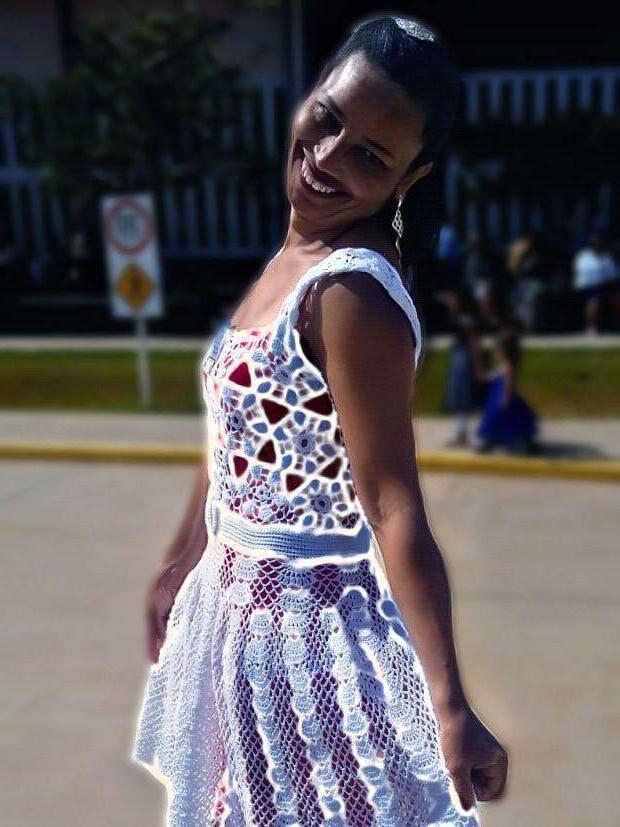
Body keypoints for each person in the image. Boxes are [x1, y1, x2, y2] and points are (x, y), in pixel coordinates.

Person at [131, 15, 508, 825]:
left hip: (304, 644)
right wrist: (183, 556)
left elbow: (393, 505)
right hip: (234, 620)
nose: (328, 155)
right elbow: (237, 427)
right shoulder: (294, 254)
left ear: (411, 176)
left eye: (370, 155)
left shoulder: (351, 291)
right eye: (329, 117)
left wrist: (449, 702)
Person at [475, 324, 540, 455]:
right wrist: (484, 375)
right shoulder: (503, 364)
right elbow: (494, 376)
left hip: (503, 396)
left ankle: (502, 441)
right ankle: (495, 440)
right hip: (496, 396)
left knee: (501, 419)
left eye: (498, 348)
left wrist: (506, 398)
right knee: (499, 420)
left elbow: (510, 383)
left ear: (504, 349)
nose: (496, 350)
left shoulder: (509, 365)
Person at [441, 288, 486, 448]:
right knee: (458, 396)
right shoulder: (457, 319)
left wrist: (478, 366)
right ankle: (461, 434)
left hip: (465, 358)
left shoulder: (465, 319)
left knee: (463, 395)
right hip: (459, 357)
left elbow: (474, 342)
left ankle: (464, 434)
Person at [572, 231, 618, 335]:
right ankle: (591, 327)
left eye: (600, 244)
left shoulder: (606, 256)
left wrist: (607, 280)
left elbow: (613, 273)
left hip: (604, 285)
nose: (598, 246)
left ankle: (617, 325)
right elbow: (584, 273)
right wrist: (601, 276)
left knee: (617, 298)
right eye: (596, 244)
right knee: (594, 302)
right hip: (588, 286)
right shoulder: (583, 256)